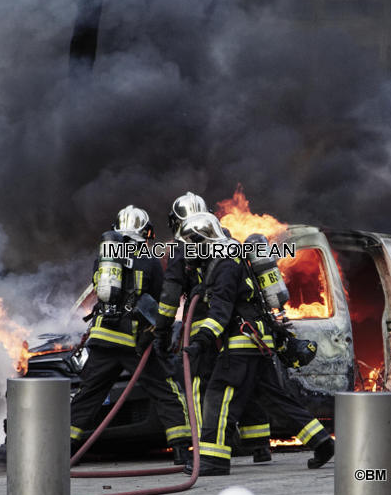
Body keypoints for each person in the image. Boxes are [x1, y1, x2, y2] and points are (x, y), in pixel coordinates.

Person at [178, 212, 334, 476]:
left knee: (219, 396)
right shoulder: (233, 257)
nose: (189, 252)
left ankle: (214, 461)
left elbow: (222, 310)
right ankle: (321, 442)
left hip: (241, 345)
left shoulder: (224, 264)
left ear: (202, 240)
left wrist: (201, 340)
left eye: (191, 245)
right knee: (277, 399)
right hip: (257, 341)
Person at [154, 192, 274, 464]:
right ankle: (259, 445)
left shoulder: (181, 246)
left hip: (203, 328)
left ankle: (203, 450)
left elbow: (170, 296)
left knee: (200, 385)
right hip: (231, 328)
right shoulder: (225, 239)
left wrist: (161, 331)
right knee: (243, 387)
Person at [70, 205, 192, 464]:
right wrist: (160, 333)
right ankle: (182, 450)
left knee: (88, 395)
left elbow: (100, 293)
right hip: (134, 341)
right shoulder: (149, 259)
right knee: (166, 390)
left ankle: (64, 450)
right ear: (145, 231)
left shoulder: (104, 258)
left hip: (103, 339)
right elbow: (163, 300)